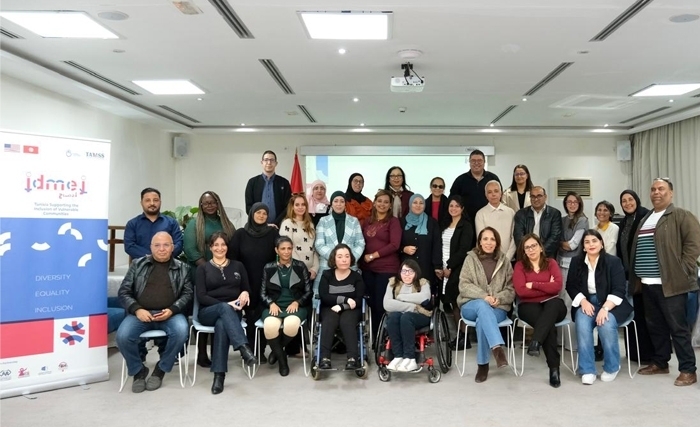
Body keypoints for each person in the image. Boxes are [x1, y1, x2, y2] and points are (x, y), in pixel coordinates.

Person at [630, 178, 700, 386]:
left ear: (671, 193)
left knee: (677, 328)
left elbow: (694, 244)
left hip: (670, 284)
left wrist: (683, 268)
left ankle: (688, 369)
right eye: (653, 189)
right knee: (656, 326)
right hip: (647, 283)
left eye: (661, 189)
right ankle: (661, 362)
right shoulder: (647, 218)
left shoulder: (681, 215)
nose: (656, 193)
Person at [116, 232, 192, 393]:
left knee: (181, 331)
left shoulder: (183, 268)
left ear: (172, 248)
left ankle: (161, 369)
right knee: (123, 336)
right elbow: (123, 292)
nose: (162, 249)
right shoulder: (138, 264)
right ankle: (138, 371)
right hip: (141, 313)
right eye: (157, 245)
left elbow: (187, 294)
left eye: (166, 245)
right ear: (151, 247)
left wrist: (173, 310)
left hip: (170, 313)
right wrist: (137, 309)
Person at [566, 230, 632, 385]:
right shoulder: (576, 262)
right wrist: (582, 301)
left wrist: (605, 308)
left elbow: (619, 289)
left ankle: (612, 367)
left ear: (601, 244)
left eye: (594, 241)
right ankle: (587, 369)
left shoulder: (613, 262)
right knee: (582, 324)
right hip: (587, 302)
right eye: (587, 242)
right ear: (583, 247)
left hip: (611, 303)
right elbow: (571, 286)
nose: (591, 244)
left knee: (606, 324)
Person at [195, 232, 256, 394]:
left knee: (222, 324)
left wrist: (245, 293)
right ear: (210, 248)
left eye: (223, 245)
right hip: (208, 312)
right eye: (216, 245)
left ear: (227, 247)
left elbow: (246, 288)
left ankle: (219, 376)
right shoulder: (203, 268)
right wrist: (226, 304)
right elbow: (201, 296)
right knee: (224, 308)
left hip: (232, 313)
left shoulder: (238, 266)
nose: (220, 248)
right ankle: (243, 347)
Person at [183, 190, 236, 367]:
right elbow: (190, 250)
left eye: (213, 202)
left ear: (218, 203)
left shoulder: (226, 223)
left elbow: (234, 246)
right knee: (205, 310)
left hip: (224, 275)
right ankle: (201, 354)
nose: (210, 205)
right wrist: (209, 269)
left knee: (219, 313)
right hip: (202, 273)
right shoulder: (194, 224)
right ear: (201, 205)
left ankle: (216, 353)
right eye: (206, 203)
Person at [457, 227, 514, 383]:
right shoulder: (471, 259)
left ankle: (483, 365)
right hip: (471, 305)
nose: (489, 242)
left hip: (497, 307)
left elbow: (511, 288)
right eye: (485, 239)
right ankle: (497, 347)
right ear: (480, 242)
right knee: (482, 306)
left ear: (497, 242)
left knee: (484, 318)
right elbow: (464, 285)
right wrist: (484, 296)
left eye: (492, 239)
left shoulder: (504, 261)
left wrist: (498, 298)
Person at [513, 234, 567, 388]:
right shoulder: (519, 266)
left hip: (554, 305)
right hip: (528, 307)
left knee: (554, 304)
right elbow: (521, 291)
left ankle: (536, 341)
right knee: (547, 324)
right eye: (527, 247)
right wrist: (545, 286)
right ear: (523, 251)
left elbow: (556, 287)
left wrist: (533, 284)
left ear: (541, 247)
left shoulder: (551, 263)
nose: (531, 250)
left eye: (534, 245)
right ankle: (554, 369)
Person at [230, 203, 279, 363]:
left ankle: (262, 349)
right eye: (258, 212)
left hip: (267, 282)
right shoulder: (240, 234)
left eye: (265, 213)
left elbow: (280, 254)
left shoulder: (272, 233)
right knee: (250, 317)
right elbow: (233, 259)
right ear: (251, 214)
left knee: (263, 316)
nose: (261, 216)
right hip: (245, 281)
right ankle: (250, 351)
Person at [260, 236, 313, 376]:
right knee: (270, 326)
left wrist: (298, 302)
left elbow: (308, 291)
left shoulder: (300, 266)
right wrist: (270, 303)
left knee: (291, 325)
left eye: (289, 248)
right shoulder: (268, 267)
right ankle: (282, 360)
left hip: (295, 306)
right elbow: (262, 292)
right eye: (283, 248)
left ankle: (276, 351)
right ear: (276, 250)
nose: (286, 252)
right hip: (274, 306)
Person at [279, 194, 319, 357]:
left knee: (305, 309)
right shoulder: (287, 224)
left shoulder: (310, 224)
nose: (300, 207)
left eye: (303, 204)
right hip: (293, 272)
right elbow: (287, 249)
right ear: (292, 206)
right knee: (293, 308)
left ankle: (301, 346)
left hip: (309, 274)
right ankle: (291, 348)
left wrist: (315, 268)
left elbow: (314, 249)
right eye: (297, 204)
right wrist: (300, 269)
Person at [616, 189, 653, 362]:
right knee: (633, 314)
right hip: (628, 275)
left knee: (646, 315)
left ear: (636, 200)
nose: (627, 203)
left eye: (630, 199)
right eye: (624, 201)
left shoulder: (646, 216)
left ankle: (649, 355)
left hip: (644, 274)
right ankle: (634, 353)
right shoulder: (624, 221)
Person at [360, 190, 402, 339]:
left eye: (386, 202)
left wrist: (373, 255)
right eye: (379, 201)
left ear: (390, 205)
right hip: (367, 270)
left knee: (380, 305)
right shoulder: (367, 221)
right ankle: (373, 338)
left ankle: (382, 338)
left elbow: (394, 244)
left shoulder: (393, 221)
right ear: (374, 202)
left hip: (386, 269)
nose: (382, 204)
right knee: (371, 304)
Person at [317, 244, 366, 370]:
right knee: (329, 321)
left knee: (347, 322)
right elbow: (324, 296)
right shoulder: (327, 275)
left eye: (347, 256)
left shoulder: (356, 276)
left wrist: (343, 306)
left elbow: (359, 300)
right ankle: (324, 358)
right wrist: (345, 299)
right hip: (330, 307)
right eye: (340, 257)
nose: (344, 260)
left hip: (351, 309)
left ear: (351, 259)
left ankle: (352, 358)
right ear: (334, 259)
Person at [383, 259, 432, 372]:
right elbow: (387, 304)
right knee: (393, 317)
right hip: (405, 314)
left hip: (420, 316)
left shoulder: (423, 283)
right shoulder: (393, 283)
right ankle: (398, 356)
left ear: (416, 273)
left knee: (406, 317)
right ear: (400, 272)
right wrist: (412, 306)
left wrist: (401, 298)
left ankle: (410, 358)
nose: (407, 274)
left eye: (410, 271)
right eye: (404, 271)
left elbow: (424, 298)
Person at [439, 195, 473, 351]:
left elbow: (464, 249)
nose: (453, 208)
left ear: (462, 209)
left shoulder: (466, 225)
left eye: (457, 206)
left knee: (458, 304)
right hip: (442, 269)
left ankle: (464, 338)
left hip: (456, 269)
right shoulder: (444, 224)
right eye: (451, 205)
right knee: (450, 303)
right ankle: (457, 336)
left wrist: (450, 267)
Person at [314, 191, 365, 291]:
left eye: (342, 201)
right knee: (323, 298)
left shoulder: (354, 221)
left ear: (345, 204)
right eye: (336, 201)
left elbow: (360, 243)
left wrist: (349, 259)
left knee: (349, 298)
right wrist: (335, 258)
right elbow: (319, 244)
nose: (339, 204)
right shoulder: (323, 221)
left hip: (349, 265)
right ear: (331, 203)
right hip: (328, 265)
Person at [557, 191, 588, 352]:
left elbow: (573, 245)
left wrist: (557, 242)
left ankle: (571, 343)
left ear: (579, 203)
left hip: (573, 266)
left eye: (575, 201)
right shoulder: (562, 220)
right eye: (569, 201)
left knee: (570, 303)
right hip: (559, 264)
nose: (572, 204)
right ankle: (560, 341)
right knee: (560, 302)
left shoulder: (582, 220)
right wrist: (561, 243)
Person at [449, 149, 501, 234]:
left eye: (479, 160)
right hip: (466, 224)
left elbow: (499, 198)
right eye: (473, 161)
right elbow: (452, 201)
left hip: (489, 221)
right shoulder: (460, 180)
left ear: (484, 162)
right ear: (469, 162)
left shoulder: (493, 178)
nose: (476, 163)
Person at [400, 194, 441, 297]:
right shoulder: (402, 222)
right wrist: (403, 249)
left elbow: (437, 245)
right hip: (407, 270)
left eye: (421, 203)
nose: (418, 205)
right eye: (415, 203)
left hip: (426, 268)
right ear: (410, 205)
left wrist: (437, 266)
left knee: (424, 299)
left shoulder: (432, 223)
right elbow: (395, 243)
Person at [124, 187, 183, 259]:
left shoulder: (171, 222)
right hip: (141, 265)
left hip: (168, 265)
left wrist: (163, 256)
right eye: (147, 200)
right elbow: (129, 246)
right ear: (141, 203)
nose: (152, 203)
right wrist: (152, 257)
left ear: (160, 202)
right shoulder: (132, 224)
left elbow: (178, 244)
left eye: (155, 200)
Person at [244, 150, 292, 226]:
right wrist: (261, 222)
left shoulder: (284, 183)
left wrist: (276, 223)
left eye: (272, 160)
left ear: (276, 163)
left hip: (278, 226)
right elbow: (249, 207)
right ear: (262, 163)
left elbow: (288, 207)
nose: (269, 163)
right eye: (266, 160)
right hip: (256, 227)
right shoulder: (252, 182)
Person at [513, 186, 563, 258]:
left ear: (545, 197)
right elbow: (518, 236)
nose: (536, 199)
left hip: (547, 256)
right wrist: (529, 252)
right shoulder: (521, 214)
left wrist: (540, 252)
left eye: (539, 196)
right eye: (533, 196)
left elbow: (555, 237)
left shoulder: (554, 214)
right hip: (526, 257)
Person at [475, 180, 516, 261]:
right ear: (486, 195)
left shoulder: (510, 212)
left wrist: (507, 258)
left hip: (509, 260)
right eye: (489, 192)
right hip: (488, 260)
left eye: (496, 191)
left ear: (501, 193)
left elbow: (514, 238)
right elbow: (482, 239)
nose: (493, 194)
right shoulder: (480, 214)